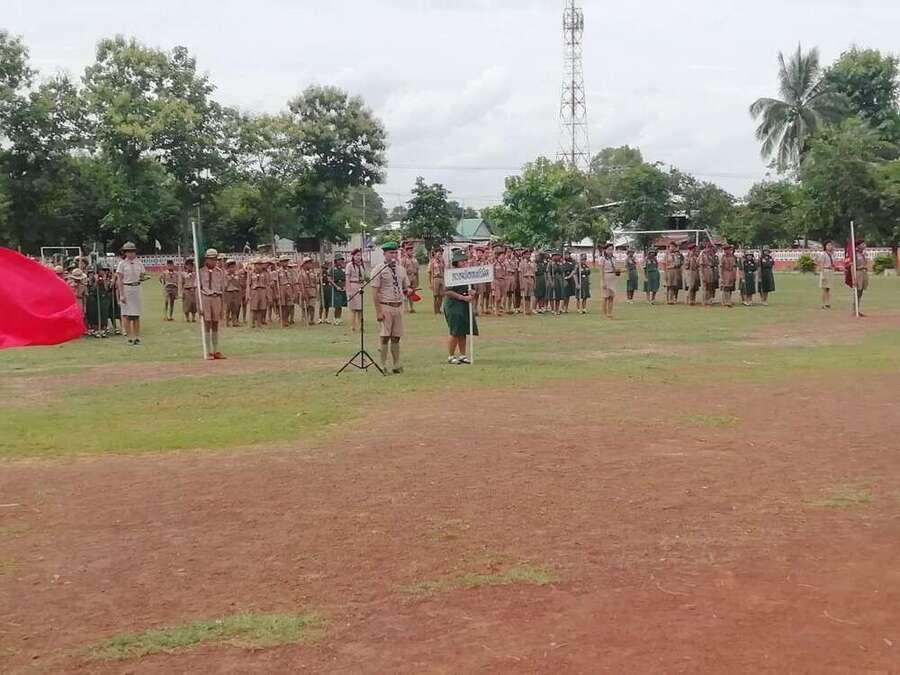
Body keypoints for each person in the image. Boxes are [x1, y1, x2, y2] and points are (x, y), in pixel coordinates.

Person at [371, 241, 410, 374]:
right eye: (391, 253)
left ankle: (396, 364)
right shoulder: (378, 269)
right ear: (385, 254)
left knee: (396, 336)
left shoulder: (401, 269)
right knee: (385, 336)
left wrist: (408, 291)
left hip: (398, 305)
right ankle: (382, 365)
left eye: (395, 252)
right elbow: (375, 292)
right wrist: (378, 312)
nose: (393, 255)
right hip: (385, 305)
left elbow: (405, 287)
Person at [443, 249, 478, 364]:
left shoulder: (467, 273)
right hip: (453, 305)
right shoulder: (451, 274)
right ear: (456, 262)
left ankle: (463, 355)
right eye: (461, 261)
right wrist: (462, 297)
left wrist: (472, 292)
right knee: (455, 331)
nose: (464, 263)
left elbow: (472, 288)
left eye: (465, 261)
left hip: (464, 305)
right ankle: (451, 356)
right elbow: (447, 291)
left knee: (463, 330)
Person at [115, 242, 148, 345]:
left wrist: (144, 278)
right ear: (125, 253)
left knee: (136, 315)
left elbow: (142, 275)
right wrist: (121, 294)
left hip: (136, 288)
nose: (131, 253)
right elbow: (119, 280)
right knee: (127, 315)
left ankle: (136, 337)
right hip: (126, 288)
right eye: (128, 251)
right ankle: (129, 337)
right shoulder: (122, 264)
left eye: (133, 251)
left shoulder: (139, 263)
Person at [199, 248, 226, 359]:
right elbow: (198, 289)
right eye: (211, 259)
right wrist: (199, 305)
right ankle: (208, 351)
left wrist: (223, 306)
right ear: (206, 260)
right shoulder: (200, 272)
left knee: (215, 323)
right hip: (206, 297)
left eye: (215, 259)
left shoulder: (220, 272)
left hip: (216, 298)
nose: (213, 261)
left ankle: (215, 350)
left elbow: (222, 289)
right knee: (207, 324)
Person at [346, 249, 366, 332]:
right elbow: (347, 279)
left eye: (360, 255)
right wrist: (349, 291)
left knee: (360, 309)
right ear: (353, 256)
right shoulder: (349, 265)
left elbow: (364, 277)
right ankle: (353, 327)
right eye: (357, 255)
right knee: (353, 309)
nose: (358, 257)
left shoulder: (362, 265)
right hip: (352, 286)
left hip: (360, 287)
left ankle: (361, 326)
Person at [847, 239, 869, 316]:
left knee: (861, 292)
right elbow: (852, 266)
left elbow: (865, 263)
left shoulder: (863, 254)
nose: (864, 246)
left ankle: (857, 309)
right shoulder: (855, 254)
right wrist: (854, 278)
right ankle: (854, 310)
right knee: (857, 292)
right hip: (858, 272)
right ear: (858, 246)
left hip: (863, 272)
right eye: (863, 244)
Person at [598, 243, 619, 318]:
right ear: (605, 250)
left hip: (612, 278)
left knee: (611, 297)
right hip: (606, 277)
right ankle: (605, 314)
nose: (610, 251)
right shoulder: (602, 258)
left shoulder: (614, 258)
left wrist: (618, 271)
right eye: (609, 249)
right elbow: (601, 271)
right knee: (605, 297)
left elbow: (615, 269)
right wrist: (603, 281)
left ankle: (610, 313)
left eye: (611, 249)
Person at [247, 257, 269, 328]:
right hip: (254, 291)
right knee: (253, 308)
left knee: (261, 308)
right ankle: (252, 323)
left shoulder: (265, 274)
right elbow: (248, 285)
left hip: (262, 291)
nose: (260, 266)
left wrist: (267, 294)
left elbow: (267, 284)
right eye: (258, 264)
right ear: (255, 265)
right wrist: (248, 294)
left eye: (261, 264)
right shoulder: (251, 273)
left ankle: (259, 323)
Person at [328, 254, 348, 326]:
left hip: (342, 288)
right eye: (339, 260)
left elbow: (346, 278)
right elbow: (329, 279)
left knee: (341, 304)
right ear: (336, 261)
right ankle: (335, 318)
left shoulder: (344, 269)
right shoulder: (332, 269)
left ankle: (339, 318)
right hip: (335, 288)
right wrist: (336, 286)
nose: (340, 261)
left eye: (341, 259)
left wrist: (345, 286)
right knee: (337, 304)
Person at [224, 260, 243, 327]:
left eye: (233, 267)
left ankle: (234, 322)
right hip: (228, 292)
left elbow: (239, 284)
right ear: (228, 268)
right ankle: (227, 322)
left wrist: (234, 279)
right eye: (230, 267)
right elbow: (225, 285)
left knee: (235, 308)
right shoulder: (225, 275)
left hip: (235, 292)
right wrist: (229, 279)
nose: (232, 269)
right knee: (227, 308)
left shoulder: (237, 275)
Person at [401, 244, 419, 313]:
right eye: (410, 251)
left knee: (412, 293)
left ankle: (412, 308)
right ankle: (405, 308)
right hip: (406, 278)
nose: (411, 252)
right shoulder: (403, 259)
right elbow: (401, 270)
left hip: (413, 278)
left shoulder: (414, 259)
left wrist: (417, 279)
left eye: (412, 250)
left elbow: (417, 269)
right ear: (406, 251)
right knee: (405, 293)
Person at [699, 241, 718, 307]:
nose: (710, 249)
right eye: (708, 247)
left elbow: (715, 263)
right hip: (705, 271)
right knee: (705, 288)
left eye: (711, 248)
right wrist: (702, 275)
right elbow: (701, 265)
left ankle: (709, 300)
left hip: (711, 272)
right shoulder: (703, 255)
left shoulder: (712, 255)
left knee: (710, 287)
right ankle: (705, 301)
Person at [818, 240, 835, 309]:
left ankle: (828, 303)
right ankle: (823, 304)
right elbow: (821, 264)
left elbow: (833, 263)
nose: (830, 246)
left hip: (830, 271)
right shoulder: (823, 254)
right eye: (828, 245)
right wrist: (823, 275)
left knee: (828, 288)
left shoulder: (831, 254)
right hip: (825, 271)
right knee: (824, 289)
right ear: (825, 246)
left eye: (830, 245)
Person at [428, 248, 445, 314]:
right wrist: (431, 283)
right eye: (437, 253)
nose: (439, 254)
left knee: (441, 295)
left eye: (440, 253)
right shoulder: (432, 262)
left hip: (441, 278)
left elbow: (444, 270)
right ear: (435, 254)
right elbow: (430, 273)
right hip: (435, 279)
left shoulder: (442, 261)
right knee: (435, 296)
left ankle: (439, 309)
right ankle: (436, 310)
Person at [181, 258, 199, 322]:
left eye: (191, 265)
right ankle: (187, 317)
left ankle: (193, 317)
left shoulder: (195, 274)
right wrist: (182, 292)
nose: (190, 267)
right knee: (187, 305)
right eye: (188, 265)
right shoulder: (183, 274)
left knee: (194, 304)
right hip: (186, 290)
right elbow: (181, 283)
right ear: (186, 266)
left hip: (193, 290)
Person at [491, 248, 508, 316]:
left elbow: (505, 273)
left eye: (504, 256)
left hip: (503, 281)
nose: (503, 257)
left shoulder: (504, 265)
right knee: (497, 296)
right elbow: (492, 274)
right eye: (502, 255)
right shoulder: (494, 264)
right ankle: (496, 310)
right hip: (496, 281)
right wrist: (493, 283)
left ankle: (498, 310)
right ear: (498, 256)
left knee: (501, 296)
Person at [520, 250, 536, 315]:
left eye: (529, 254)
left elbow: (534, 273)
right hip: (525, 278)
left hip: (531, 278)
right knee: (525, 295)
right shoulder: (522, 263)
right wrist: (521, 283)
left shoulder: (533, 263)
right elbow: (520, 273)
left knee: (530, 295)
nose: (528, 256)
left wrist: (535, 282)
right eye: (526, 254)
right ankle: (525, 309)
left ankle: (529, 309)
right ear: (524, 255)